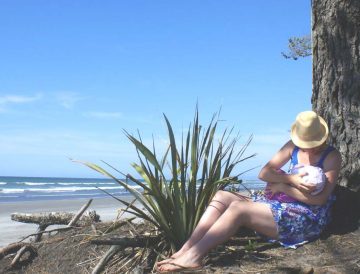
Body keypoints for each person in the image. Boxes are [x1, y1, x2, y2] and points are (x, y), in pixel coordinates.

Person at [157, 111, 341, 272]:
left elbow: (319, 200)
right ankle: (186, 249)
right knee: (221, 195)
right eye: (304, 141)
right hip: (283, 201)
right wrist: (289, 179)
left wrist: (282, 187)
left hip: (307, 216)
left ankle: (194, 257)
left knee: (239, 208)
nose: (307, 146)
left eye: (311, 142)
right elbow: (264, 173)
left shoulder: (331, 156)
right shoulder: (292, 147)